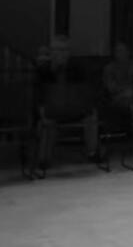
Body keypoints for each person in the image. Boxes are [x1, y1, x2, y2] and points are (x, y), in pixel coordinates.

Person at [34, 35, 100, 166]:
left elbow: (84, 92)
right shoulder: (43, 70)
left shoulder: (77, 69)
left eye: (64, 50)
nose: (61, 53)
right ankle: (44, 159)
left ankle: (92, 153)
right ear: (52, 51)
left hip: (73, 109)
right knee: (46, 123)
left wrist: (85, 105)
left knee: (91, 117)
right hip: (52, 111)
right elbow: (38, 95)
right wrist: (41, 111)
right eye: (58, 50)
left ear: (69, 52)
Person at [100, 43, 133, 154]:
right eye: (118, 51)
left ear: (128, 53)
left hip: (132, 100)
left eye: (123, 51)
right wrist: (127, 88)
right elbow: (111, 88)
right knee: (132, 101)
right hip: (115, 102)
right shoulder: (109, 69)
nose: (121, 54)